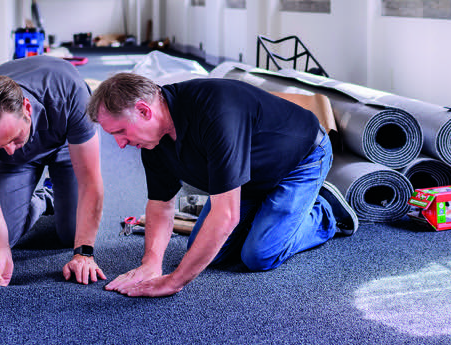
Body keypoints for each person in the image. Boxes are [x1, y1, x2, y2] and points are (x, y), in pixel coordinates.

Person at [86, 73, 358, 298]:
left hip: (299, 161)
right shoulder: (153, 143)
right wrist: (151, 264)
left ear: (144, 111)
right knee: (211, 254)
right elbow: (161, 204)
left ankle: (325, 211)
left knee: (259, 254)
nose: (120, 144)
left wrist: (174, 282)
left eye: (120, 132)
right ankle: (270, 212)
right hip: (247, 179)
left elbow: (226, 216)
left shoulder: (215, 111)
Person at [0, 55, 105, 286]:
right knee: (3, 236)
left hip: (66, 142)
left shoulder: (70, 93)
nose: (10, 151)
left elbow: (90, 182)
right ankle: (45, 197)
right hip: (21, 164)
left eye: (15, 138)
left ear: (27, 108)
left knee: (71, 234)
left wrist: (84, 253)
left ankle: (58, 190)